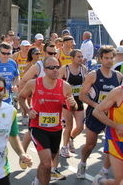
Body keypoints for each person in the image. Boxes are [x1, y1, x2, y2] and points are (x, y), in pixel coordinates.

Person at [19, 56, 77, 185]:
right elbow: (21, 98)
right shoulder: (34, 83)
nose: (55, 70)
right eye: (51, 68)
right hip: (38, 127)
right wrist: (28, 111)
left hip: (56, 129)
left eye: (57, 67)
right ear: (45, 70)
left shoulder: (65, 86)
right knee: (46, 163)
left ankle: (37, 181)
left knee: (46, 163)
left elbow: (72, 108)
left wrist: (73, 104)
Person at [77, 46, 123, 180]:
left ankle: (104, 170)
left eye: (111, 58)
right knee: (90, 144)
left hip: (110, 117)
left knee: (111, 146)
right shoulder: (93, 75)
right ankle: (83, 162)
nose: (109, 61)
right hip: (94, 114)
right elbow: (82, 96)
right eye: (106, 58)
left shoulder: (118, 76)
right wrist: (98, 106)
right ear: (100, 59)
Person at [58, 49, 87, 158]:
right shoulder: (65, 69)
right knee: (69, 126)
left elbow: (85, 83)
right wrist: (65, 89)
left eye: (81, 56)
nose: (81, 59)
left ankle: (71, 138)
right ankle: (64, 147)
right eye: (78, 56)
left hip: (79, 101)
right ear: (72, 58)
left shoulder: (84, 69)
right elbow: (56, 83)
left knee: (80, 127)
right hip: (67, 101)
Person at [92, 86, 123, 185]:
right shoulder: (118, 92)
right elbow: (97, 111)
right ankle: (100, 182)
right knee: (119, 182)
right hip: (117, 141)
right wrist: (117, 126)